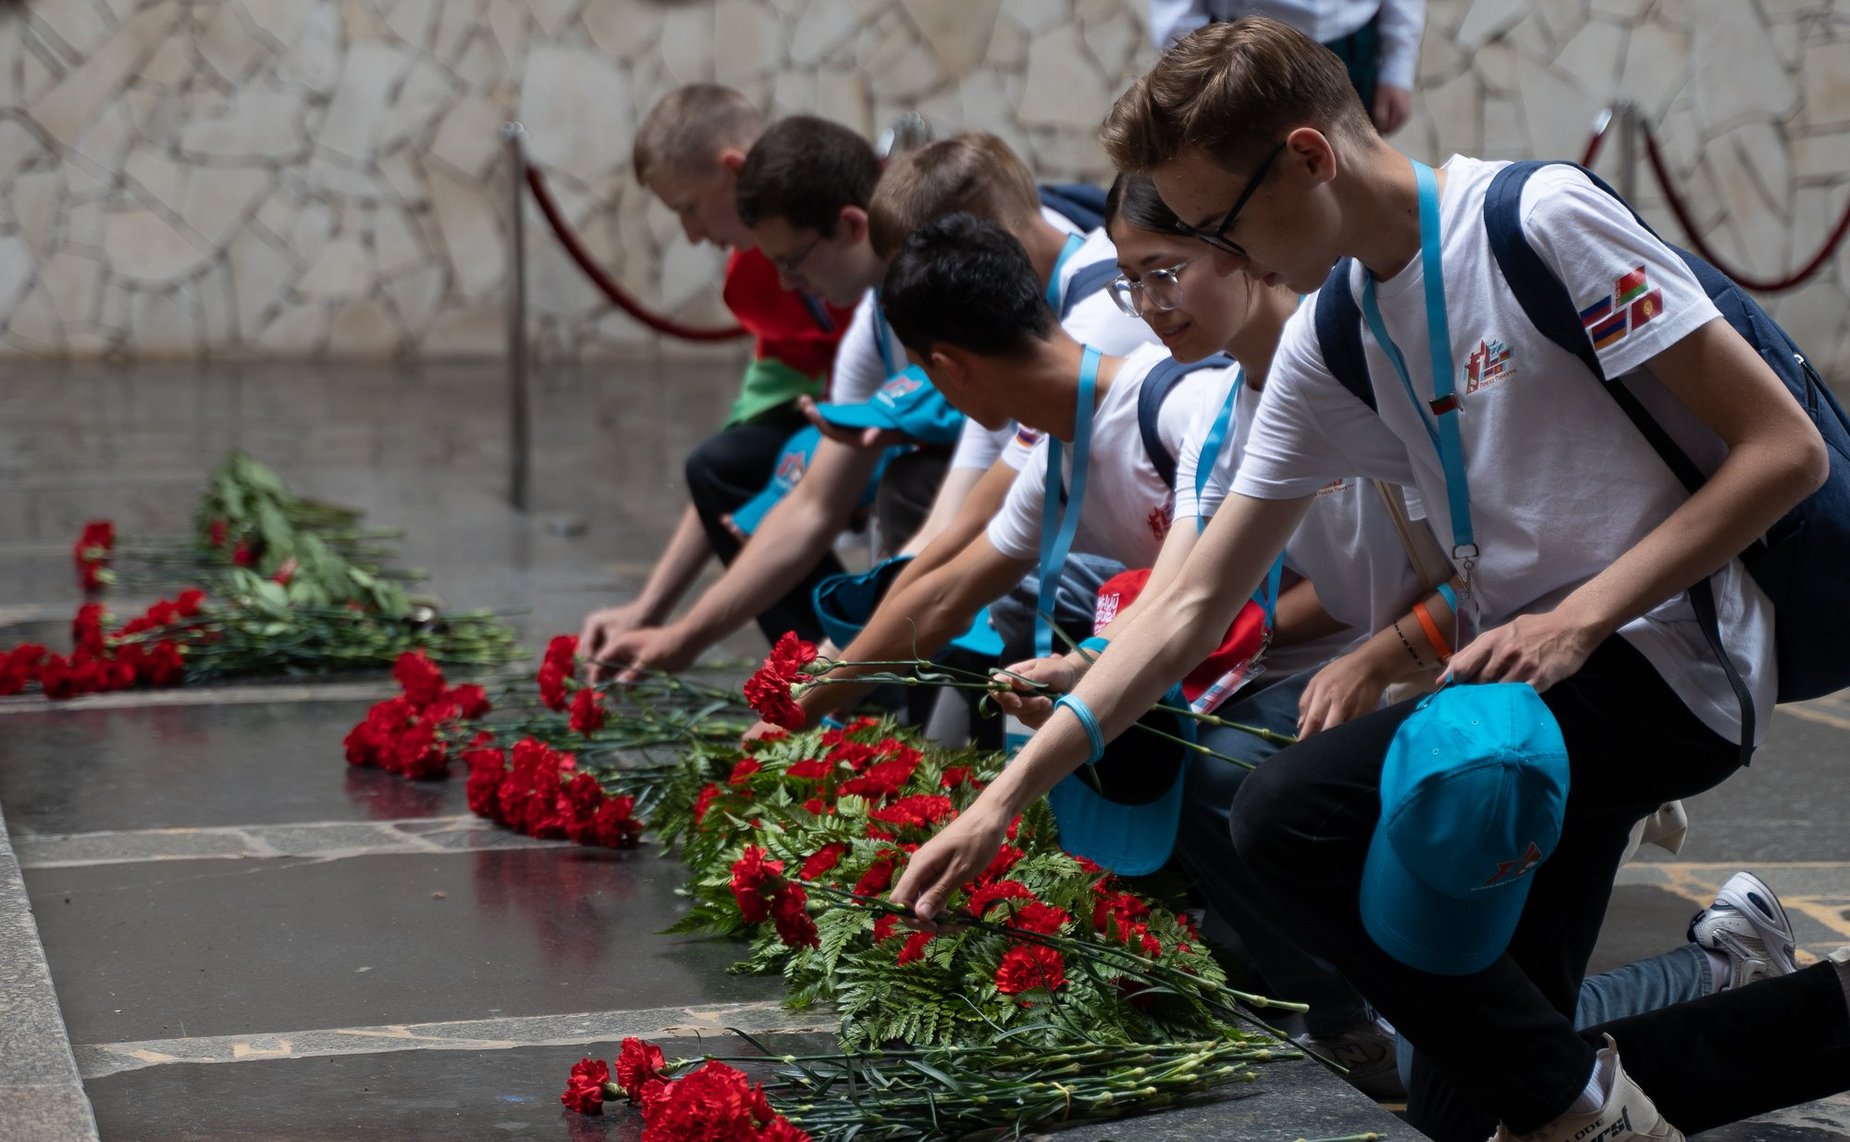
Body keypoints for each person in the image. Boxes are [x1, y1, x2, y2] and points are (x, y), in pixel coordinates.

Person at [893, 18, 1847, 1142]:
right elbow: (1190, 601)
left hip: (1664, 664)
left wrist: (1578, 618)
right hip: (1516, 705)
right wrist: (999, 802)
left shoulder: (1535, 220)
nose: (1227, 257)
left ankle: (1585, 1110)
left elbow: (1784, 452)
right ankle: (1786, 1034)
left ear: (1307, 159)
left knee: (1289, 811)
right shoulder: (1336, 330)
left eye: (1220, 225)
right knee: (1471, 1093)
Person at [586, 124, 1146, 683]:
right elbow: (927, 529)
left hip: (1142, 586)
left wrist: (823, 685)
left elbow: (963, 555)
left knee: (989, 582)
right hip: (1083, 559)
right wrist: (805, 675)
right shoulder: (972, 327)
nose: (786, 285)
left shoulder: (1093, 323)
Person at [739, 210, 1228, 738]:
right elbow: (944, 596)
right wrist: (804, 707)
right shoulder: (1055, 458)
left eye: (924, 372)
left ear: (949, 368)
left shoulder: (1179, 410)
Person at [577, 87, 855, 656]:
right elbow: (733, 459)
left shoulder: (857, 248)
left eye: (689, 208)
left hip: (939, 425)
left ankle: (849, 670)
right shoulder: (757, 277)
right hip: (867, 431)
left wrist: (682, 636)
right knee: (736, 468)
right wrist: (651, 612)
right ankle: (829, 667)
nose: (691, 235)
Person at [1145, 0, 1424, 135]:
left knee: (1350, 173)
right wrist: (1193, 66)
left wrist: (1398, 65)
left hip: (1353, 39)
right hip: (1247, 45)